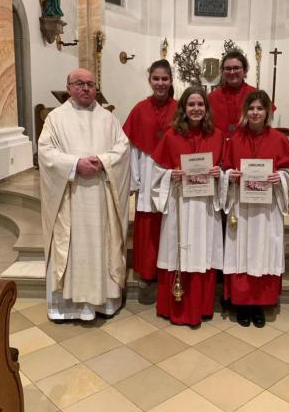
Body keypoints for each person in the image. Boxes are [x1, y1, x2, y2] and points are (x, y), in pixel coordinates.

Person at [38, 68, 130, 322]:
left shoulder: (108, 119)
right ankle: (68, 306)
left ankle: (104, 302)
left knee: (102, 244)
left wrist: (102, 161)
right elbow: (45, 153)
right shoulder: (55, 119)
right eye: (79, 83)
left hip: (101, 197)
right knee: (73, 245)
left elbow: (123, 148)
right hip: (71, 196)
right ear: (68, 87)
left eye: (90, 84)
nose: (86, 88)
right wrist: (74, 164)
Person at [221, 91, 289, 328]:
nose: (255, 113)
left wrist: (281, 177)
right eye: (251, 108)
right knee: (242, 252)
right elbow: (224, 170)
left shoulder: (278, 139)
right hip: (242, 209)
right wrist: (229, 176)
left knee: (264, 252)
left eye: (260, 108)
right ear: (245, 112)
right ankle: (242, 303)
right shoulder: (234, 140)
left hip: (267, 210)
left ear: (267, 112)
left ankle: (259, 304)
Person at [150, 86, 224, 326]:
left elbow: (227, 169)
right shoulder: (172, 136)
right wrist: (171, 174)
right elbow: (156, 173)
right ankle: (176, 308)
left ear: (206, 108)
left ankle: (200, 307)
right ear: (183, 108)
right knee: (177, 250)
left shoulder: (217, 135)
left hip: (204, 207)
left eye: (200, 104)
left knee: (202, 251)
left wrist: (218, 173)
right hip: (179, 204)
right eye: (191, 104)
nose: (196, 109)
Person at [122, 60, 177, 303]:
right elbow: (132, 147)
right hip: (146, 174)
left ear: (171, 81)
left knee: (170, 221)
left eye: (165, 79)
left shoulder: (180, 108)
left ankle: (167, 269)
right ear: (149, 80)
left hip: (172, 175)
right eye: (156, 78)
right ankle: (146, 271)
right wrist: (134, 180)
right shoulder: (139, 109)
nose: (161, 83)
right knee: (146, 224)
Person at [208, 50, 274, 140]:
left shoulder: (256, 95)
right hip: (220, 145)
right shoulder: (212, 97)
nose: (232, 72)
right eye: (227, 68)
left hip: (248, 145)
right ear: (223, 72)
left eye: (236, 68)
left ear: (245, 70)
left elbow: (267, 118)